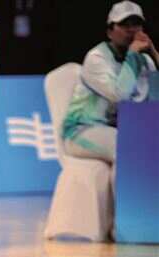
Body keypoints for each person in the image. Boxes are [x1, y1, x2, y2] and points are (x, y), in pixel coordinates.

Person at [62, 1, 158, 164]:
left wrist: (154, 54)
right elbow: (121, 97)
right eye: (124, 24)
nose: (131, 30)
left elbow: (154, 103)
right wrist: (132, 54)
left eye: (136, 24)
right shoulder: (97, 58)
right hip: (82, 131)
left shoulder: (144, 60)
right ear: (109, 32)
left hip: (123, 129)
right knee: (125, 146)